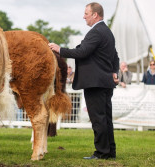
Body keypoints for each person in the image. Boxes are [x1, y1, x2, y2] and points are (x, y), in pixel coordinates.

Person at [49, 2, 119, 160]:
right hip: (105, 81)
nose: (83, 16)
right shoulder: (107, 32)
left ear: (95, 15)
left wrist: (60, 50)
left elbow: (82, 52)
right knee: (106, 118)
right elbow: (115, 56)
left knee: (98, 118)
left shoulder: (96, 32)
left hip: (95, 83)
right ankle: (109, 151)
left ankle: (101, 153)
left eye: (86, 13)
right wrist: (115, 71)